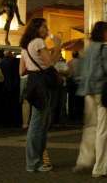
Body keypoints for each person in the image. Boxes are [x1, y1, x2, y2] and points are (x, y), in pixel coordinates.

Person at [74, 21, 107, 178]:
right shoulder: (104, 49)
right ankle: (101, 168)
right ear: (103, 33)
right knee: (104, 130)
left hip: (88, 92)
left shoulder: (88, 49)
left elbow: (79, 72)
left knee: (90, 127)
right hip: (103, 93)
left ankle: (84, 160)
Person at [20, 17, 62, 173]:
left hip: (33, 83)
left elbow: (22, 70)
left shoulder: (26, 45)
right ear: (37, 29)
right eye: (44, 27)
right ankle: (33, 162)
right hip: (41, 86)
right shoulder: (38, 42)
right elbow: (51, 62)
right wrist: (58, 46)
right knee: (38, 125)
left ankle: (38, 159)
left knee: (39, 123)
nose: (46, 30)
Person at [67, 51, 83, 122]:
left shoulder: (69, 63)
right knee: (80, 101)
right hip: (81, 83)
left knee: (72, 101)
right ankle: (80, 116)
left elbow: (69, 74)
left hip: (72, 83)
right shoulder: (82, 62)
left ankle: (72, 116)